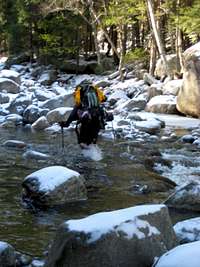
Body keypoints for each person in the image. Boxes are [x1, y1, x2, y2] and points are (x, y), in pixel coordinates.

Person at [59, 80, 112, 148]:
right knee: (94, 135)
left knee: (82, 134)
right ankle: (94, 151)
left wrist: (66, 124)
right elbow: (104, 98)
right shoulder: (95, 90)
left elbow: (74, 112)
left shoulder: (80, 91)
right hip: (97, 115)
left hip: (87, 120)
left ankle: (84, 147)